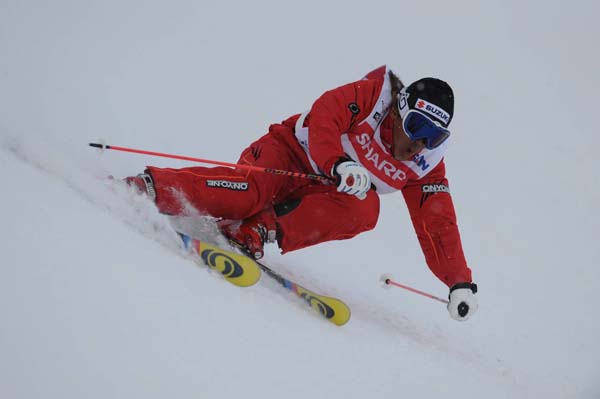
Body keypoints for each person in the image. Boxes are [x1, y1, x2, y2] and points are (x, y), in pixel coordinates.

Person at [125, 65, 478, 321]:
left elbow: (437, 221)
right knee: (246, 195)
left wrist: (459, 281)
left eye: (434, 138)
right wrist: (337, 163)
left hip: (315, 195)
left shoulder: (425, 163)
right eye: (417, 128)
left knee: (365, 210)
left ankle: (253, 230)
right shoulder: (372, 99)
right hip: (287, 155)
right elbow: (326, 114)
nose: (419, 145)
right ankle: (149, 187)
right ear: (399, 113)